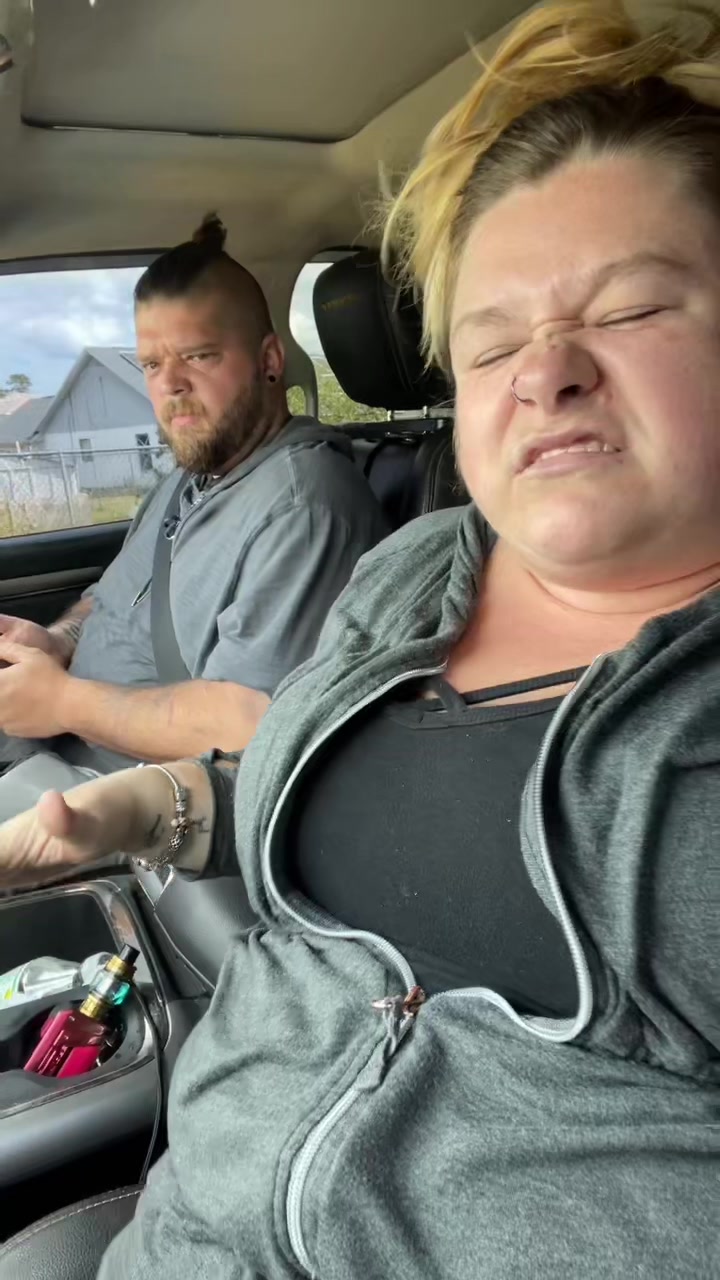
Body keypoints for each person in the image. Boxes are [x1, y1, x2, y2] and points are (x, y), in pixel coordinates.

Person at [1, 0, 719, 1274]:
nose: (544, 370)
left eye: (628, 311)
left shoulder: (310, 499)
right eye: (491, 341)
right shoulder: (413, 574)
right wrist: (144, 806)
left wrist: (66, 709)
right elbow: (291, 768)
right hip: (184, 1226)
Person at [0, 214, 389, 825]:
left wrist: (64, 703)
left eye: (199, 356)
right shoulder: (187, 478)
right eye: (152, 365)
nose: (171, 386)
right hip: (50, 760)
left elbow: (248, 727)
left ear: (269, 360)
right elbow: (109, 599)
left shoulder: (305, 505)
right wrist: (57, 642)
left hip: (130, 812)